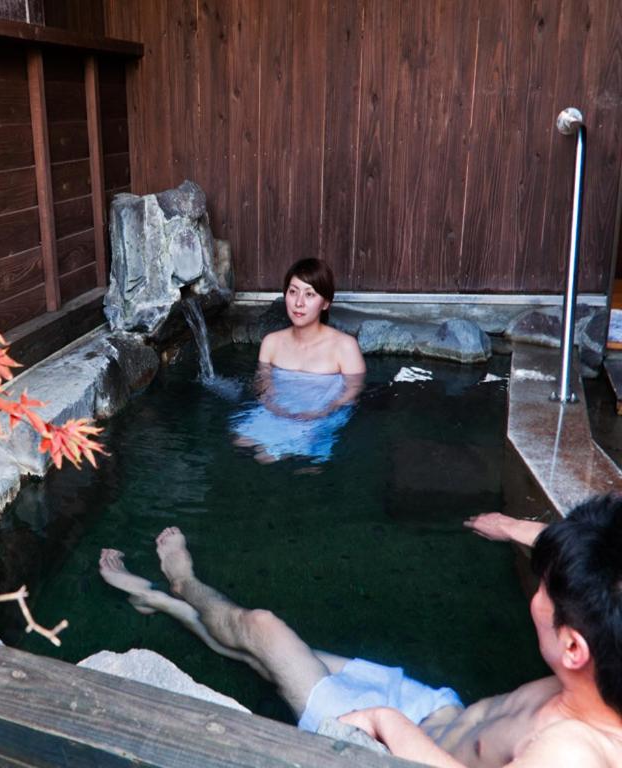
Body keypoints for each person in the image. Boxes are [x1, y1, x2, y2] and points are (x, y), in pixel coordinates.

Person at [99, 495, 622, 767]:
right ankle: (163, 604)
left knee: (264, 631)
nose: (536, 593)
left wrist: (386, 723)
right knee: (265, 651)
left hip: (390, 746)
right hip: (436, 709)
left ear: (573, 646)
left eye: (544, 589)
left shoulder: (572, 753)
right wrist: (513, 528)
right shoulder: (602, 659)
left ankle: (181, 585)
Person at [232, 258, 366, 463]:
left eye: (310, 294)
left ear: (326, 303)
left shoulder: (345, 347)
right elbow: (263, 382)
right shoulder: (272, 343)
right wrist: (273, 406)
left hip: (321, 415)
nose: (299, 302)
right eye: (293, 291)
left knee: (266, 457)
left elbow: (352, 392)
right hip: (278, 409)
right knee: (238, 443)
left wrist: (324, 412)